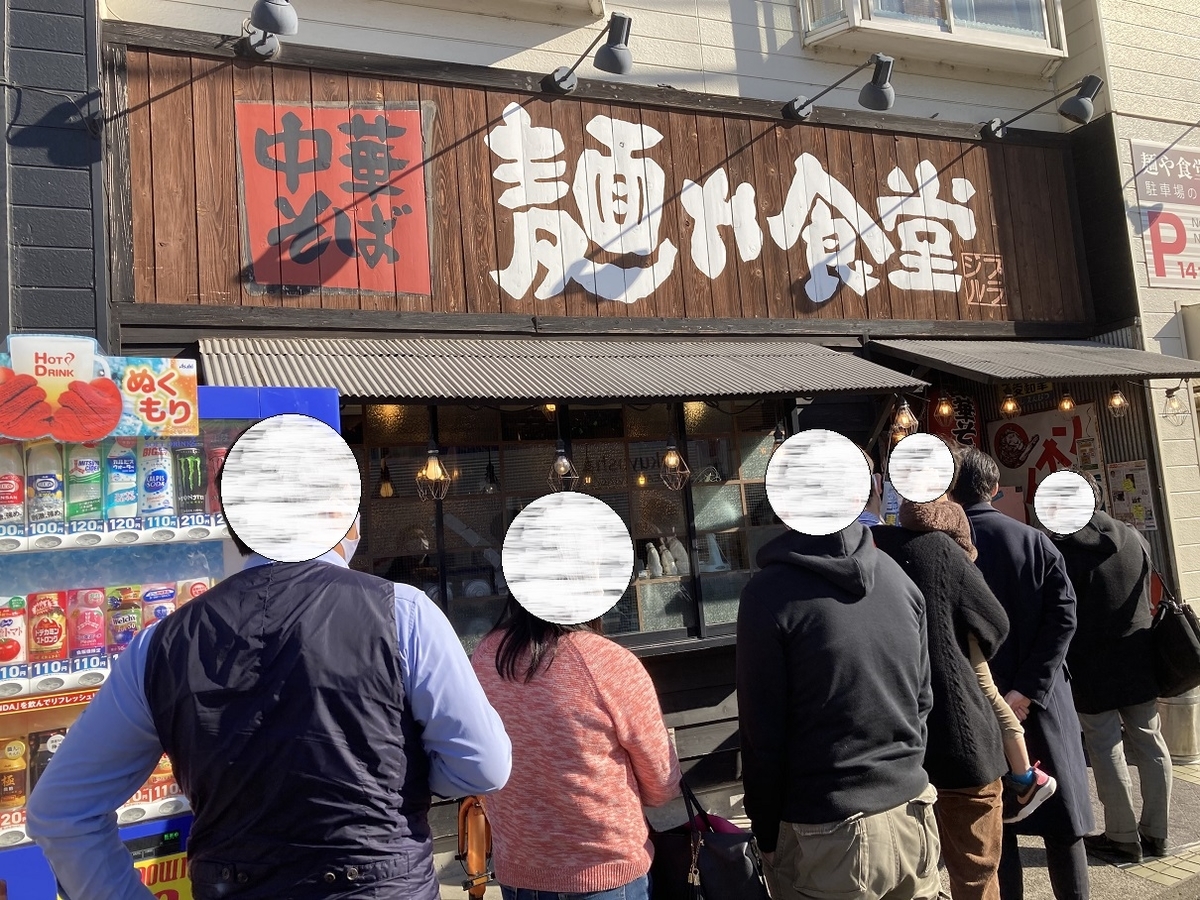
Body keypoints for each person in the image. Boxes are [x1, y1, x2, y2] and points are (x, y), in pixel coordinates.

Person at [28, 513, 513, 900]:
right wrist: (408, 777)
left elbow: (60, 811)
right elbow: (484, 764)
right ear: (343, 519)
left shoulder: (160, 644)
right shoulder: (403, 612)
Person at [737, 519, 941, 900]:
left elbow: (761, 736)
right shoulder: (899, 579)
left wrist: (765, 832)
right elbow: (922, 702)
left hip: (827, 833)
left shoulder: (767, 596)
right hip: (912, 812)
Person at [874, 493, 1053, 900]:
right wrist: (962, 643)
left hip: (896, 749)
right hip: (961, 747)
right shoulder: (942, 551)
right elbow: (995, 621)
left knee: (912, 881)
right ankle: (1026, 777)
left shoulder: (874, 552)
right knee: (975, 875)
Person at [952, 448, 1094, 900]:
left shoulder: (946, 551)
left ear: (950, 491)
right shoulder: (1034, 541)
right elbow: (1064, 618)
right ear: (994, 489)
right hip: (1043, 699)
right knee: (1063, 825)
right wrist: (1028, 690)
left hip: (979, 703)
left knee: (998, 825)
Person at [471, 597, 681, 900]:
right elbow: (662, 784)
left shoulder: (485, 655)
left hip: (519, 870)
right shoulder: (608, 661)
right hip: (606, 873)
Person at [1052, 505, 1173, 863]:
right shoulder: (1134, 537)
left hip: (1092, 665)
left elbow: (1061, 611)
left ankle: (1122, 837)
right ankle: (1158, 833)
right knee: (1151, 742)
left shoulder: (1063, 551)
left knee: (1106, 748)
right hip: (1139, 657)